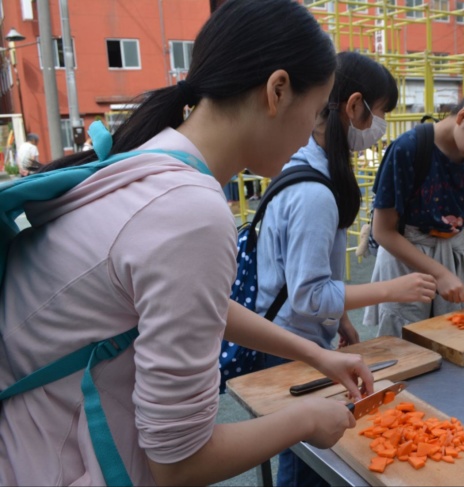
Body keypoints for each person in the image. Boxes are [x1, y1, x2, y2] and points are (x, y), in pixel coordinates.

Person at [0, 1, 375, 486]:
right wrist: (307, 420)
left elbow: (199, 306)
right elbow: (179, 462)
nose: (313, 129)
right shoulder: (189, 213)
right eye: (317, 109)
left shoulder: (156, 157)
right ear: (278, 90)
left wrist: (318, 356)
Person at [251, 51, 436, 486]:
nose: (380, 126)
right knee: (305, 456)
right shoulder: (314, 193)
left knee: (307, 449)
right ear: (354, 107)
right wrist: (392, 289)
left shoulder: (314, 167)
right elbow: (309, 294)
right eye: (381, 113)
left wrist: (344, 318)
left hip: (298, 333)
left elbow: (313, 275)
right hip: (289, 344)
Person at [364, 76, 464, 337]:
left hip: (454, 259)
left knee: (454, 337)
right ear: (463, 116)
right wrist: (439, 273)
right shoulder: (407, 148)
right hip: (407, 263)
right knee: (404, 342)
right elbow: (383, 232)